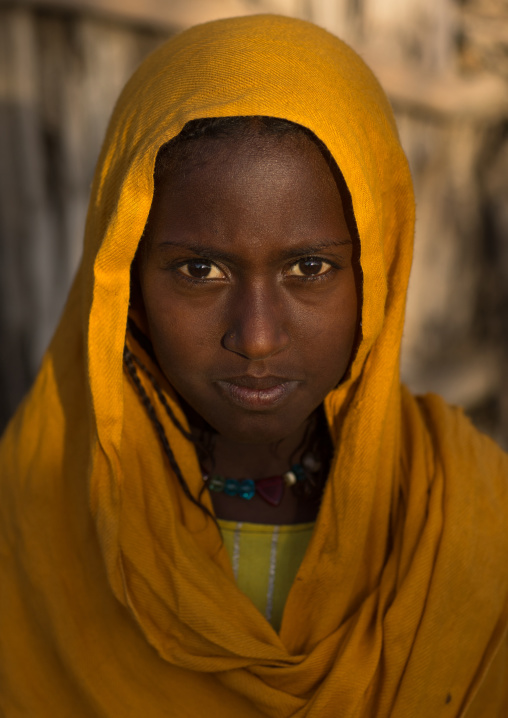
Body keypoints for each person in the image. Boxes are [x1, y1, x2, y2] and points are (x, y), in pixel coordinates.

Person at [1, 13, 507, 718]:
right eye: (199, 269)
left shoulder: (469, 520)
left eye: (309, 267)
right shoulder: (36, 516)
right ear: (126, 281)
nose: (259, 337)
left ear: (377, 269)